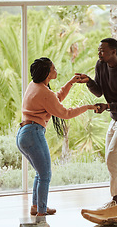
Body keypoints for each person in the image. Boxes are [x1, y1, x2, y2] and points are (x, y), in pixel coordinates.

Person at [16, 57, 98, 216]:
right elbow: (65, 113)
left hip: (23, 134)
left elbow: (56, 98)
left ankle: (37, 207)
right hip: (34, 133)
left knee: (40, 173)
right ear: (47, 73)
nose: (56, 70)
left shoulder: (34, 86)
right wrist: (88, 107)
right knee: (45, 174)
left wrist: (71, 82)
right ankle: (41, 213)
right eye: (53, 68)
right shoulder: (44, 93)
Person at [76, 38, 117, 209]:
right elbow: (99, 92)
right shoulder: (101, 65)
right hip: (116, 118)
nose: (99, 53)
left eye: (103, 51)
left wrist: (108, 106)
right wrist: (89, 82)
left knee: (112, 160)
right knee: (113, 160)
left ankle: (116, 200)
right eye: (99, 50)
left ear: (114, 52)